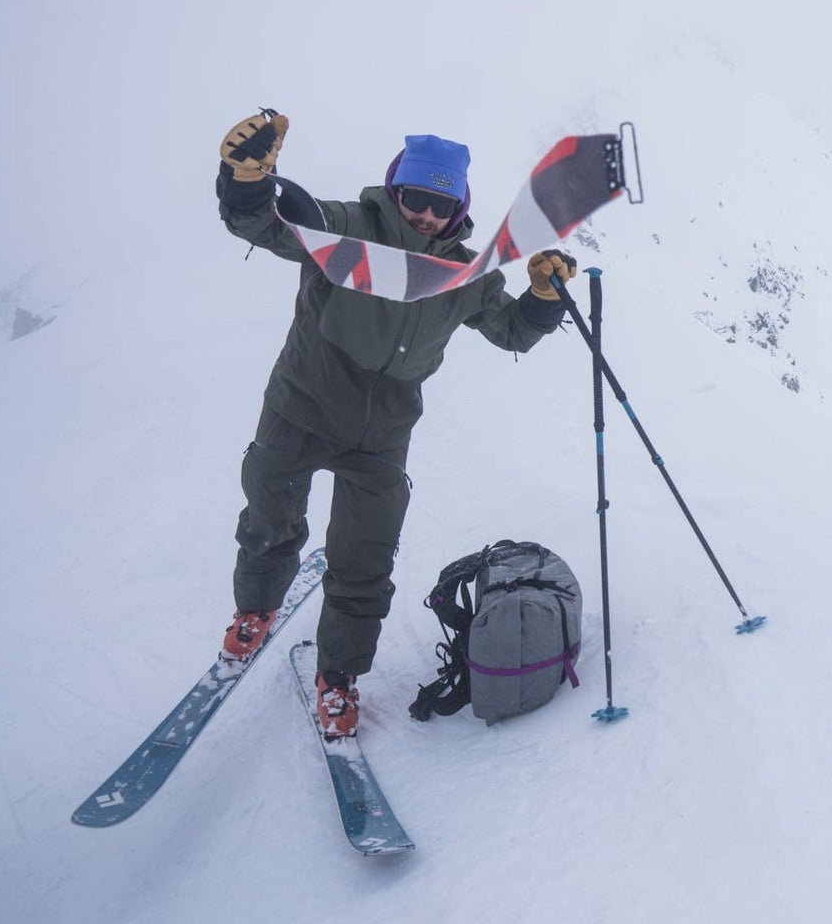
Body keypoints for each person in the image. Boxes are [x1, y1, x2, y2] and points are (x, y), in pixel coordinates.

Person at [215, 110, 576, 738]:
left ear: (459, 207)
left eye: (441, 205)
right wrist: (244, 183)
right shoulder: (350, 227)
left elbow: (512, 331)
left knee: (365, 558)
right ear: (395, 189)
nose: (427, 216)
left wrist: (542, 300)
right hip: (301, 404)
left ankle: (340, 677)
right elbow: (265, 225)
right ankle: (256, 610)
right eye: (415, 199)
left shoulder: (467, 274)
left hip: (382, 433)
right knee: (270, 519)